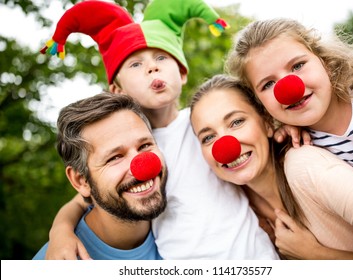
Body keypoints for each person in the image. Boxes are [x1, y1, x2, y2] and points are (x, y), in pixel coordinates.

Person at [39, 0, 278, 260]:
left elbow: (250, 133)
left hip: (257, 258)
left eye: (161, 57)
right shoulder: (130, 148)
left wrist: (283, 129)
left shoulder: (205, 123)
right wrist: (60, 231)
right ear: (117, 90)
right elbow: (82, 199)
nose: (152, 67)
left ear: (182, 73)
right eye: (135, 64)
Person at [189, 74, 353, 259]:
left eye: (236, 122)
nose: (225, 146)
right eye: (208, 137)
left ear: (267, 122)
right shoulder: (236, 212)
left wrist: (316, 255)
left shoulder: (306, 168)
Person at [225, 18, 353, 188]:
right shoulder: (301, 146)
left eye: (297, 66)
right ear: (260, 102)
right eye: (268, 84)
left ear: (325, 62)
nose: (288, 90)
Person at [33, 92, 167, 260]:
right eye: (115, 157)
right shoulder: (58, 262)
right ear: (81, 181)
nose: (142, 166)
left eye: (145, 145)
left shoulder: (186, 210)